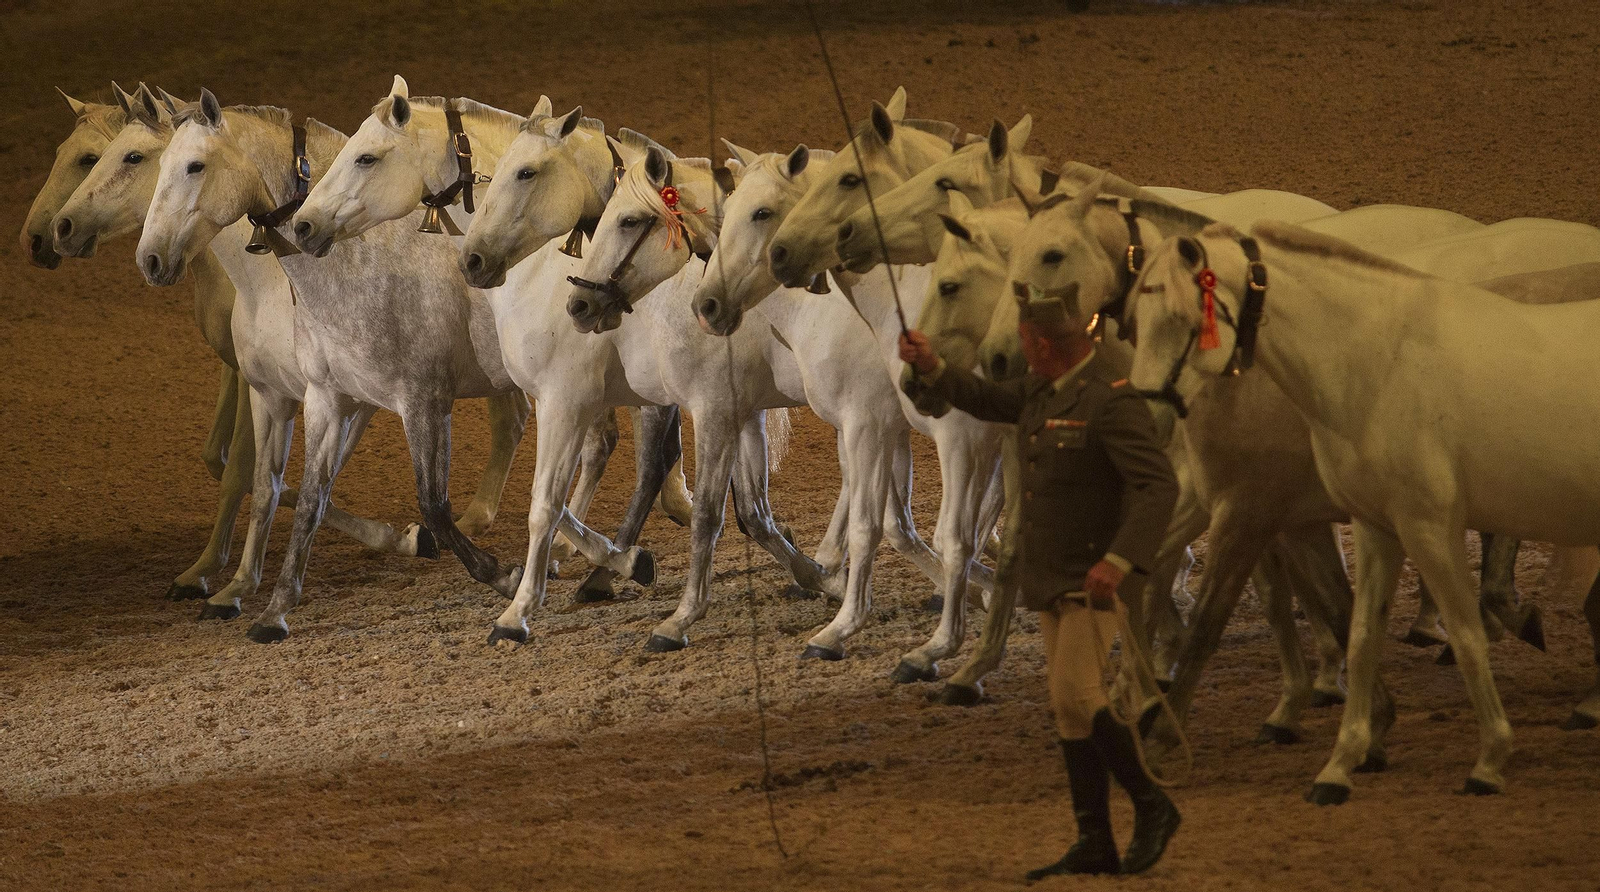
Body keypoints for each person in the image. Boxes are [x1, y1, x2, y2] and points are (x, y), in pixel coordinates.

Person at [898, 293, 1181, 879]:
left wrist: (1121, 560)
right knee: (1070, 713)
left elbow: (1158, 488)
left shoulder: (1110, 404)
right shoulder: (1040, 394)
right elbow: (985, 398)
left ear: (1042, 345)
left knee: (1077, 696)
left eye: (1024, 342)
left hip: (1095, 579)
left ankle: (1154, 806)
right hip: (1051, 577)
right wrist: (932, 367)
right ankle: (1094, 838)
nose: (1018, 351)